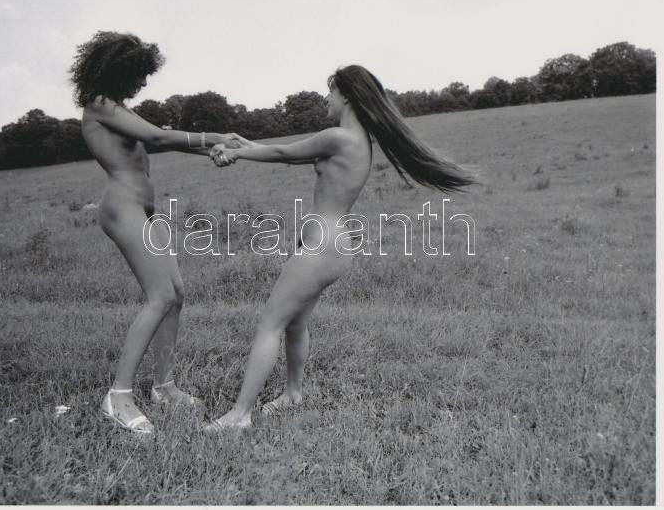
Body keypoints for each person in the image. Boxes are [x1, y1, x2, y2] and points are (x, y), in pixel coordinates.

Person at [205, 64, 476, 431]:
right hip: (329, 244)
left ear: (346, 95)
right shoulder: (354, 140)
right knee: (295, 323)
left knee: (270, 324)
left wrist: (237, 153)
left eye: (330, 92)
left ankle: (240, 415)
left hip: (323, 246)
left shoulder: (338, 137)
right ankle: (293, 394)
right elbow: (289, 154)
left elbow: (283, 152)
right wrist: (239, 145)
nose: (326, 99)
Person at [69, 31, 246, 434]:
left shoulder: (118, 109)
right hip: (122, 207)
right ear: (119, 70)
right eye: (139, 74)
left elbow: (160, 138)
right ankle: (117, 397)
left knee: (175, 294)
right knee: (160, 296)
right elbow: (156, 136)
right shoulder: (99, 104)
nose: (144, 81)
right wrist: (216, 136)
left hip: (142, 210)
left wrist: (211, 150)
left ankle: (163, 387)